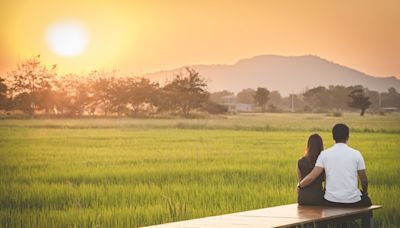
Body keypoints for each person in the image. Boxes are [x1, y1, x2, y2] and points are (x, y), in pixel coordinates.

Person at [297, 123, 372, 207]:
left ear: (333, 137)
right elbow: (364, 180)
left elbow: (312, 176)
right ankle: (367, 220)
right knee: (367, 203)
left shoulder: (324, 154)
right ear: (348, 137)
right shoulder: (357, 154)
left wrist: (300, 185)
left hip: (330, 201)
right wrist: (365, 193)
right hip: (353, 201)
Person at [297, 134, 325, 205]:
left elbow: (301, 179)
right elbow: (326, 181)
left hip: (303, 198)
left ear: (308, 145)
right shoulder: (323, 162)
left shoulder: (300, 161)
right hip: (318, 198)